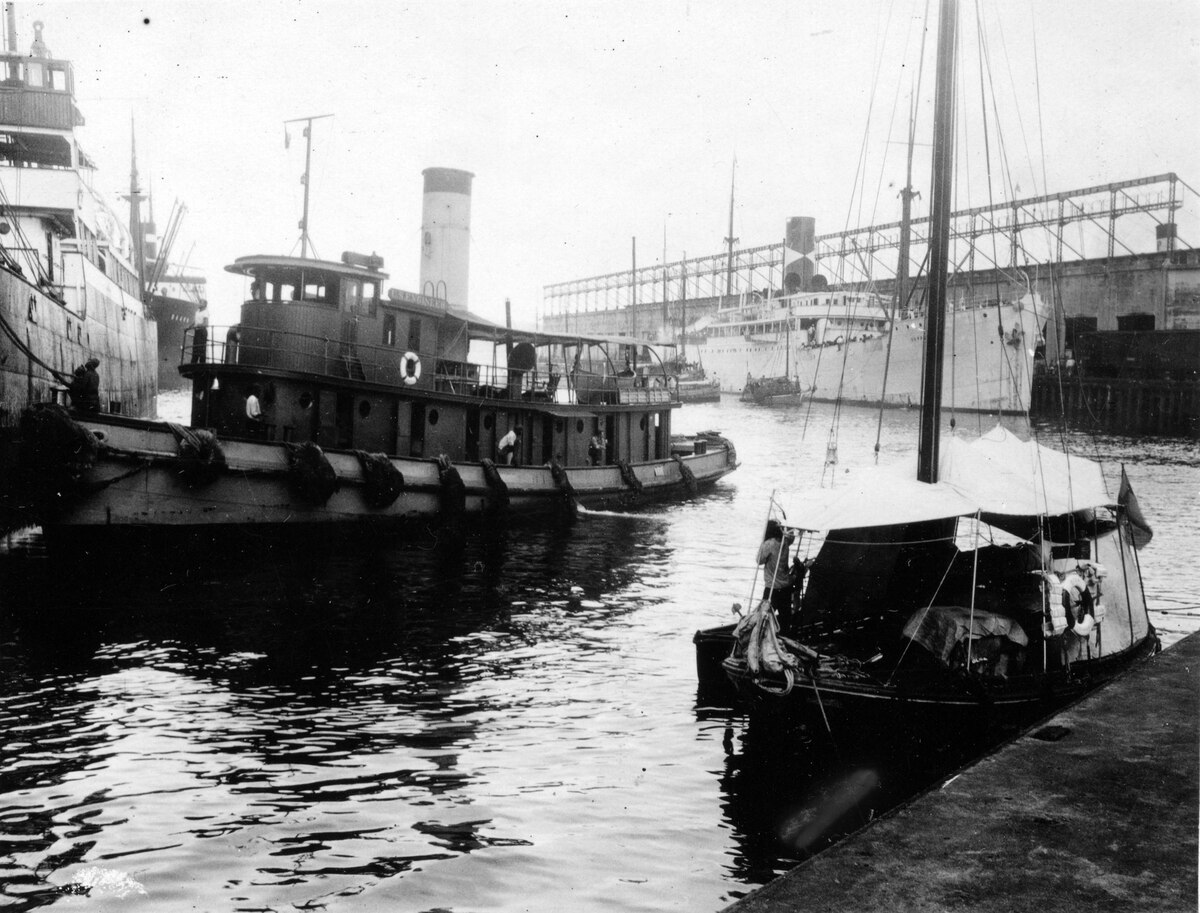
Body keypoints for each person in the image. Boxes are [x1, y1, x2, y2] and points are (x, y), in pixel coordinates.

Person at [757, 519, 795, 627]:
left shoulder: (769, 544)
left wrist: (763, 543)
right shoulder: (785, 541)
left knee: (763, 619)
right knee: (785, 618)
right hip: (785, 586)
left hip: (772, 587)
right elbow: (792, 536)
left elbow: (759, 560)